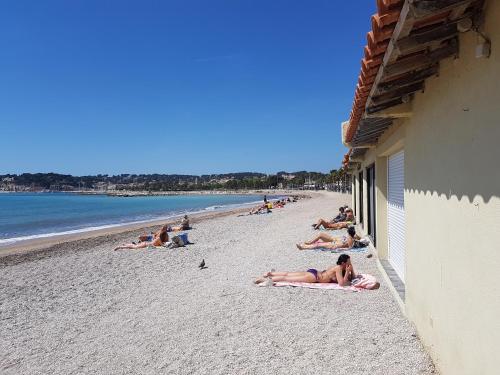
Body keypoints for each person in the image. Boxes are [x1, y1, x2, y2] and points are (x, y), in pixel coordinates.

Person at [254, 254, 355, 286]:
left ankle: (270, 273)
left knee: (289, 274)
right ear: (343, 263)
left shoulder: (336, 267)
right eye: (348, 262)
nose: (349, 263)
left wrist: (352, 270)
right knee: (287, 278)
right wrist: (347, 271)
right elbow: (342, 283)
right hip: (315, 277)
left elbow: (352, 278)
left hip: (314, 272)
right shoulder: (338, 269)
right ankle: (264, 280)